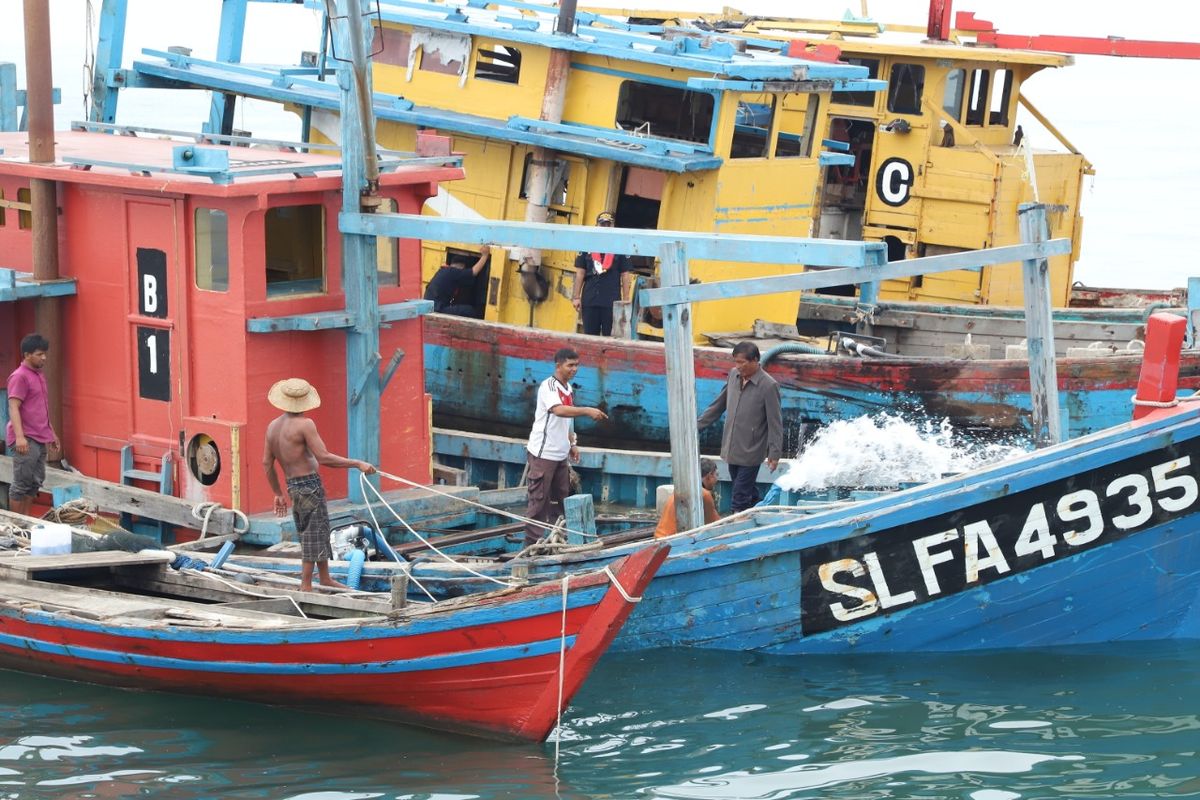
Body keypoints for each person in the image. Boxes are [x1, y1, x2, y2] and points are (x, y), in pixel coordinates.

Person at [262, 378, 377, 591]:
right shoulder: (305, 424)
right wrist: (357, 463)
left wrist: (277, 493)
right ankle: (306, 585)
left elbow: (267, 463)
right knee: (312, 535)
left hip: (293, 486)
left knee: (319, 531)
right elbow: (323, 458)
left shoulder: (272, 427)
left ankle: (324, 577)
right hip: (309, 485)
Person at [524, 348, 608, 545]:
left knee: (561, 499)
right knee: (539, 502)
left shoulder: (568, 389)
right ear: (558, 366)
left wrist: (573, 443)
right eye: (570, 365)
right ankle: (531, 545)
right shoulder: (549, 387)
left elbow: (568, 421)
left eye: (577, 365)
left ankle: (557, 539)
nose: (574, 369)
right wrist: (587, 411)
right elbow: (559, 410)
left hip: (561, 455)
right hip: (544, 454)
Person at [697, 341, 783, 513]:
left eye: (742, 362)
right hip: (732, 446)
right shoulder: (733, 375)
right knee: (745, 490)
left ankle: (737, 525)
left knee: (739, 496)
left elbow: (775, 423)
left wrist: (774, 454)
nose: (738, 366)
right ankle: (760, 511)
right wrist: (697, 426)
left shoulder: (768, 385)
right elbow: (718, 404)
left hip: (751, 450)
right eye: (735, 362)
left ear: (755, 361)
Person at [5, 333, 57, 517]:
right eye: (39, 353)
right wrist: (20, 437)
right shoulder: (19, 377)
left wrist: (52, 434)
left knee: (35, 482)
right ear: (27, 355)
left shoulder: (39, 375)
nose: (44, 357)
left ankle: (26, 522)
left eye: (45, 353)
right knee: (21, 483)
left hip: (39, 436)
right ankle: (15, 524)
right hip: (26, 438)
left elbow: (40, 408)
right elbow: (13, 406)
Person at [572, 212, 633, 336]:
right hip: (590, 299)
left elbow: (625, 275)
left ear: (613, 226)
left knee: (610, 337)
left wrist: (626, 300)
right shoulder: (587, 245)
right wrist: (576, 297)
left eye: (608, 224)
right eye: (602, 224)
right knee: (589, 337)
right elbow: (580, 273)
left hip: (611, 301)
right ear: (596, 226)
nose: (605, 227)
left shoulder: (620, 246)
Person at [654, 458, 721, 538]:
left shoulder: (679, 490)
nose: (717, 479)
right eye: (716, 475)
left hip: (660, 537)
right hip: (673, 542)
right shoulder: (704, 494)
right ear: (709, 476)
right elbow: (716, 525)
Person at [423, 248, 491, 317]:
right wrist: (485, 256)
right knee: (469, 310)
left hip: (429, 308)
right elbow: (473, 272)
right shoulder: (453, 271)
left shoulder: (443, 271)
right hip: (437, 309)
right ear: (462, 266)